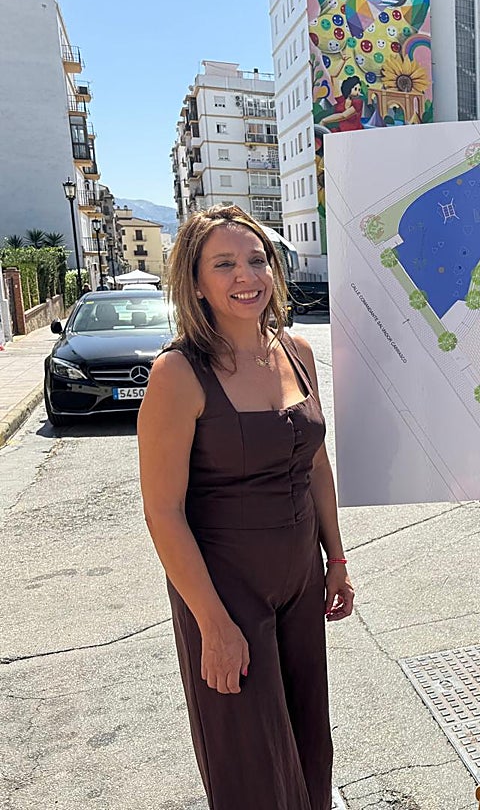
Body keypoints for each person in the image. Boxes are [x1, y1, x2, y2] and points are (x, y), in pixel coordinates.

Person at [138, 205, 354, 809]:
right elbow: (162, 512)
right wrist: (212, 623)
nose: (246, 276)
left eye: (256, 260)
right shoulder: (177, 374)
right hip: (225, 595)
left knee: (310, 744)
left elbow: (315, 464)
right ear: (197, 281)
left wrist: (335, 559)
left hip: (301, 583)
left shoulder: (298, 352)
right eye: (225, 264)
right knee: (251, 767)